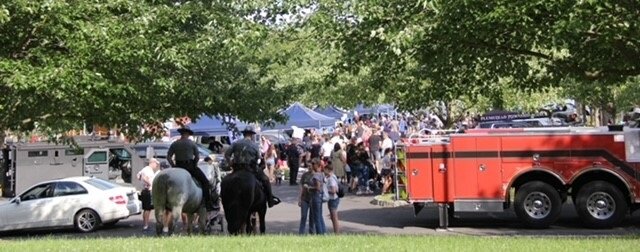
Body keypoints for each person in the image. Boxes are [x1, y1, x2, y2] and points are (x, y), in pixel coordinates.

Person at [225, 125, 280, 208]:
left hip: (237, 168)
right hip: (250, 168)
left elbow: (227, 154)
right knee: (265, 180)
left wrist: (230, 163)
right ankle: (270, 200)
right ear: (252, 135)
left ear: (244, 134)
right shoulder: (254, 145)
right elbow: (258, 157)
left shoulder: (235, 143)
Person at [167, 127, 215, 211]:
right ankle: (207, 203)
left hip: (178, 166)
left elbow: (168, 157)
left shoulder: (174, 144)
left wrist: (173, 165)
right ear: (188, 134)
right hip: (189, 166)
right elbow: (197, 157)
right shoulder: (192, 144)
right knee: (205, 182)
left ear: (181, 134)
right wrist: (195, 164)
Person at [137, 158, 160, 230]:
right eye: (156, 164)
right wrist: (150, 184)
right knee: (147, 209)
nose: (156, 166)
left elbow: (138, 176)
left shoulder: (144, 169)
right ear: (152, 163)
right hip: (148, 191)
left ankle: (145, 224)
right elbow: (144, 177)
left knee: (147, 209)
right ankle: (146, 225)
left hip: (145, 190)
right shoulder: (148, 170)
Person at [309, 158, 326, 234]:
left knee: (317, 217)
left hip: (316, 196)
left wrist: (309, 188)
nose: (312, 166)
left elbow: (318, 187)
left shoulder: (316, 175)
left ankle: (320, 233)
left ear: (317, 165)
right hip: (320, 196)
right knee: (319, 215)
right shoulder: (321, 174)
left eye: (313, 164)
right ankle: (323, 232)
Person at [298, 164, 316, 234]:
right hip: (304, 198)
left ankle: (311, 232)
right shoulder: (305, 175)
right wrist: (299, 198)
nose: (309, 167)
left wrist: (309, 187)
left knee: (312, 217)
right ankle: (301, 233)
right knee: (303, 216)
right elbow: (301, 185)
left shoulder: (316, 175)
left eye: (310, 166)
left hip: (312, 198)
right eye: (308, 166)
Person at [324, 165, 340, 234]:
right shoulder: (332, 176)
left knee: (334, 217)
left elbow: (333, 190)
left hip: (333, 199)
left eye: (325, 170)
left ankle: (336, 233)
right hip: (333, 199)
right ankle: (336, 231)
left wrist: (326, 191)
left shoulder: (331, 179)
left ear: (328, 170)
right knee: (333, 217)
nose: (324, 171)